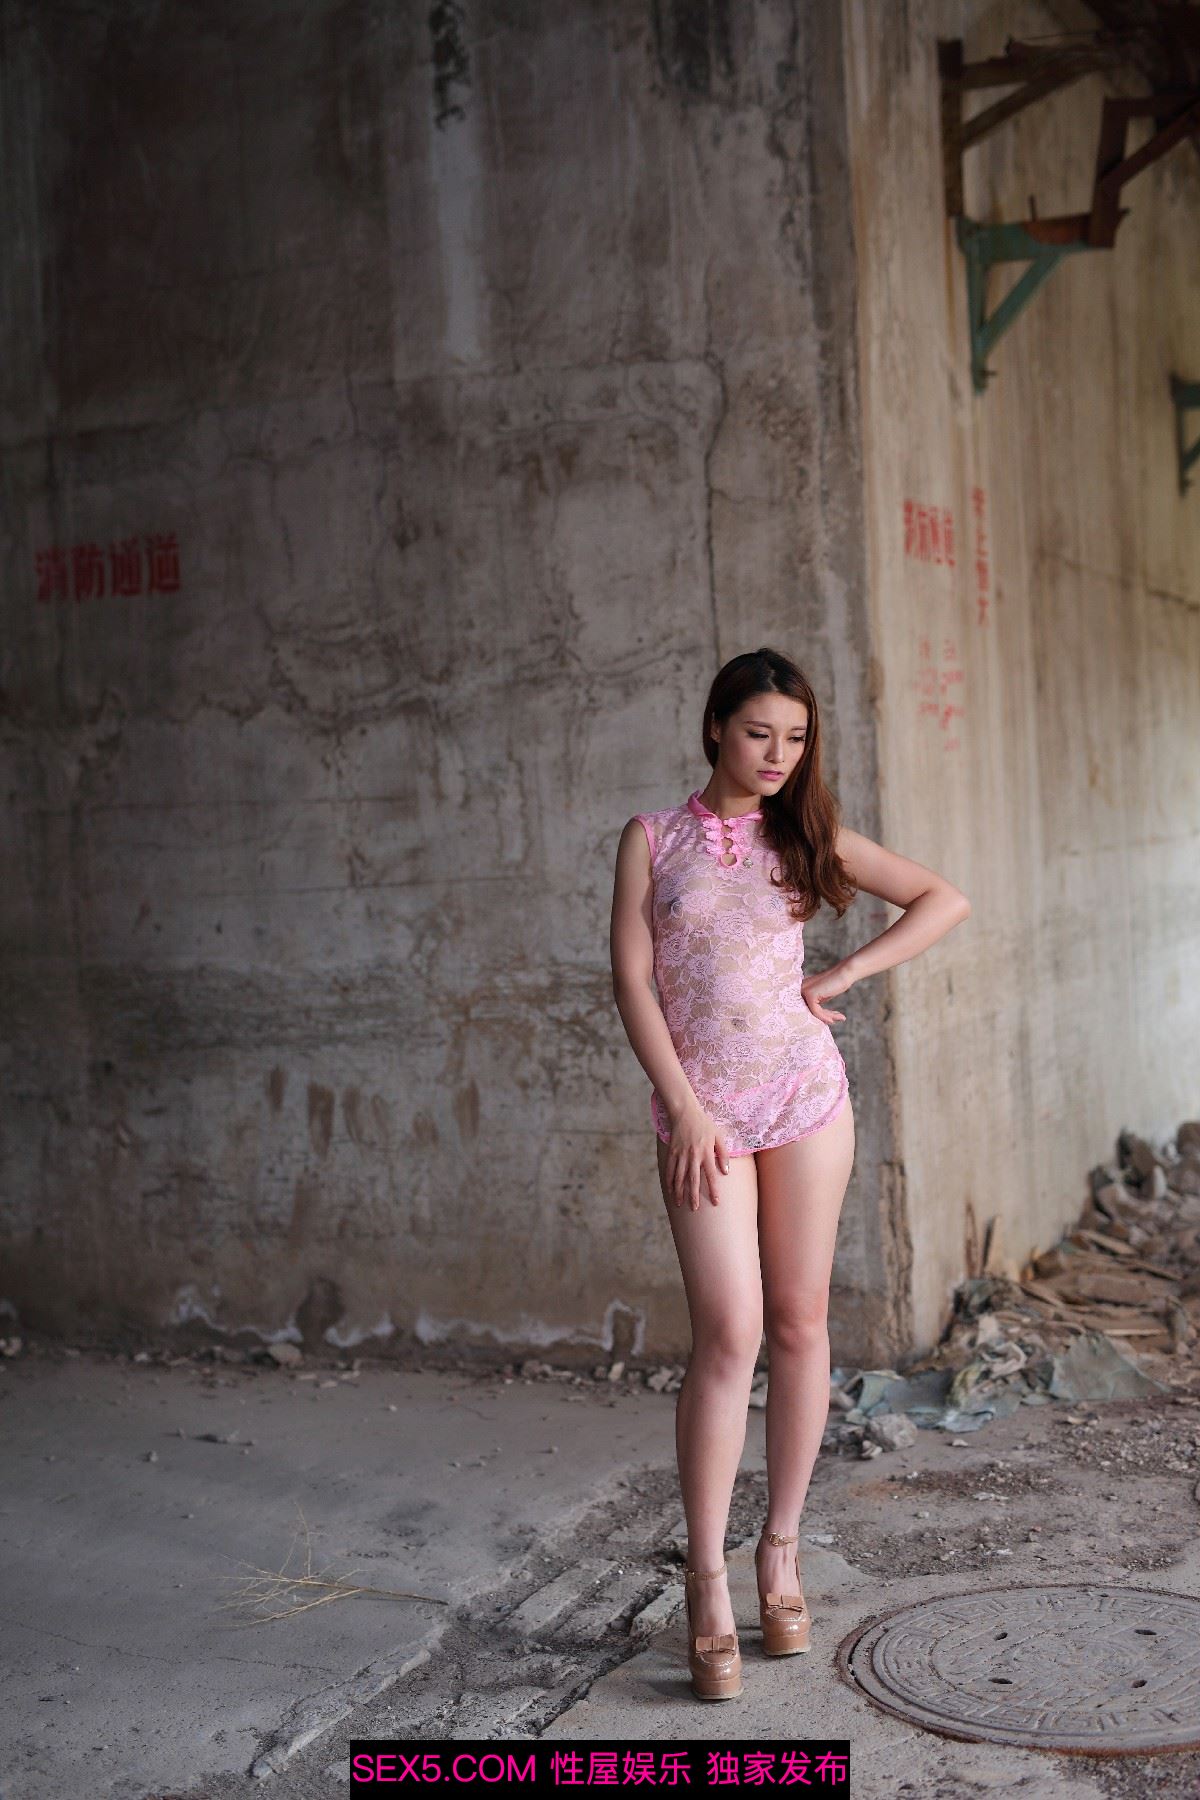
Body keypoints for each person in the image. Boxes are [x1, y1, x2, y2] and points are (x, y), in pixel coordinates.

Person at [609, 647, 970, 1701]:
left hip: (805, 1098)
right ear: (716, 728)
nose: (778, 754)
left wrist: (847, 970)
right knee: (730, 1334)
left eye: (797, 737)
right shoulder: (653, 839)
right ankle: (706, 1580)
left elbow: (942, 899)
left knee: (802, 1324)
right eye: (760, 732)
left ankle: (780, 1552)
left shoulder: (805, 834)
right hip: (704, 1116)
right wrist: (683, 1107)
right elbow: (632, 978)